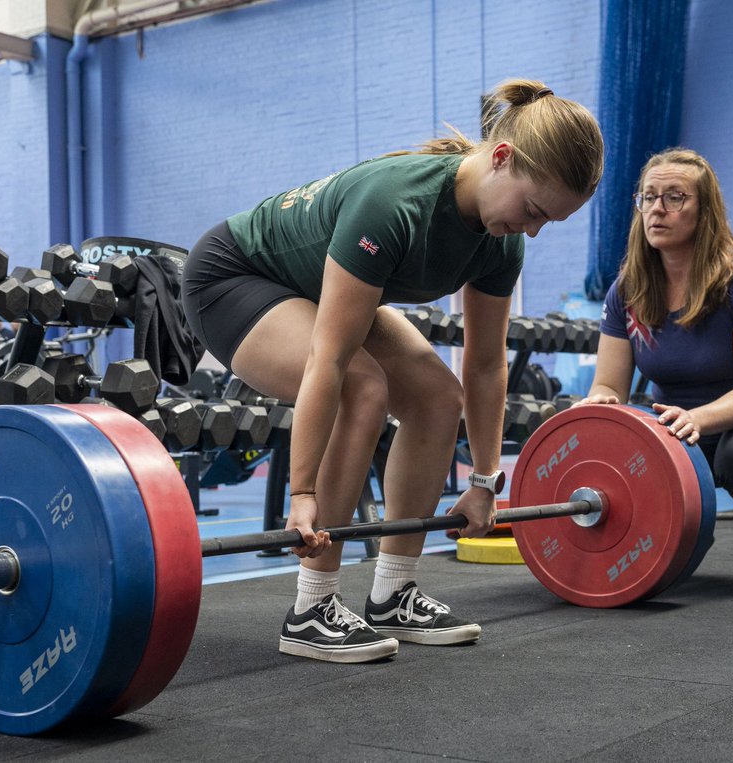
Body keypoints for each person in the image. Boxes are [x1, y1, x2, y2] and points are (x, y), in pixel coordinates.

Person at [182, 79, 603, 662]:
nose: (532, 229)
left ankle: (395, 590)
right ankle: (312, 605)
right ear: (502, 158)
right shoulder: (395, 203)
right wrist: (301, 493)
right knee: (362, 384)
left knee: (436, 395)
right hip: (232, 281)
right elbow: (327, 358)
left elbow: (483, 365)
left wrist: (483, 483)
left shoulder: (500, 241)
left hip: (311, 290)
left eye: (547, 222)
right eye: (532, 210)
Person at [578, 147, 733, 588]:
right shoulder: (628, 290)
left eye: (674, 197)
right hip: (681, 427)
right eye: (649, 197)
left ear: (703, 210)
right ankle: (672, 551)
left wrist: (697, 418)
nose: (657, 208)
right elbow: (609, 385)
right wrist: (600, 403)